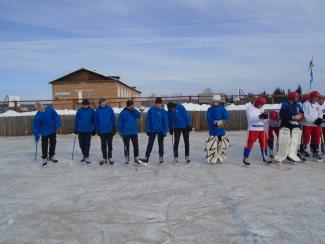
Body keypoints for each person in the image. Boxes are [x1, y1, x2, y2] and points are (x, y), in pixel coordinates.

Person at [275, 91, 304, 163]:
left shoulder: (298, 105)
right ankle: (282, 153)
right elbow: (283, 115)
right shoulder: (285, 104)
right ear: (292, 97)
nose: (297, 98)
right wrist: (292, 117)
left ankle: (293, 154)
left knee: (295, 140)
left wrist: (300, 116)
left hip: (296, 125)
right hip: (286, 124)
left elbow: (301, 113)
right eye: (296, 97)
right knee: (285, 140)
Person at [140, 97, 168, 165]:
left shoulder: (163, 111)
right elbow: (148, 120)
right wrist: (148, 129)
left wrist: (165, 131)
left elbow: (166, 122)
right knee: (150, 144)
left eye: (159, 104)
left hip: (160, 130)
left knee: (161, 145)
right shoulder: (151, 110)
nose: (158, 105)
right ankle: (146, 158)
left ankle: (161, 158)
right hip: (152, 130)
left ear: (161, 104)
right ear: (155, 103)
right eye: (157, 104)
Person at [243, 96, 270, 165]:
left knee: (264, 142)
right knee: (250, 143)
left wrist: (265, 118)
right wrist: (260, 116)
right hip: (253, 128)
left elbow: (264, 120)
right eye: (261, 104)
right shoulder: (250, 108)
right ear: (258, 103)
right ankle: (246, 157)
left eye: (262, 105)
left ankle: (265, 156)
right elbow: (251, 119)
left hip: (261, 128)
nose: (262, 106)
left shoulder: (261, 108)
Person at [33, 103, 61, 167]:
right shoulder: (37, 116)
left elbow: (56, 116)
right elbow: (36, 127)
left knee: (53, 142)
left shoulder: (50, 110)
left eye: (41, 107)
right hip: (44, 131)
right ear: (37, 109)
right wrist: (36, 136)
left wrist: (58, 123)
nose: (41, 109)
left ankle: (51, 156)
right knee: (44, 144)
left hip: (52, 130)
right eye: (39, 108)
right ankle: (45, 158)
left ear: (43, 106)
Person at [205, 95, 229, 164]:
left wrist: (220, 122)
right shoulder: (210, 109)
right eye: (213, 102)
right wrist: (213, 121)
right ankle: (212, 157)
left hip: (221, 130)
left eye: (216, 102)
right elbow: (208, 118)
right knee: (212, 144)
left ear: (218, 102)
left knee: (221, 144)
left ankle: (220, 156)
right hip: (213, 130)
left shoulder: (222, 109)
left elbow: (226, 117)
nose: (214, 103)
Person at [117, 99, 142, 164]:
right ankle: (127, 158)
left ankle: (136, 158)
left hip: (134, 132)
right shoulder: (123, 112)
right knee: (126, 146)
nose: (132, 106)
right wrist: (120, 130)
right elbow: (120, 122)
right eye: (131, 105)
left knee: (136, 146)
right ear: (128, 105)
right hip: (126, 133)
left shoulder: (134, 111)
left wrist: (133, 110)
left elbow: (139, 115)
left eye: (132, 105)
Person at [301, 91, 323, 162]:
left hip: (316, 125)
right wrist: (312, 121)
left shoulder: (317, 105)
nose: (316, 99)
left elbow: (320, 112)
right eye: (315, 97)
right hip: (307, 124)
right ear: (311, 97)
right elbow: (304, 114)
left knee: (317, 136)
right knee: (306, 137)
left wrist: (320, 118)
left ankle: (315, 150)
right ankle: (303, 150)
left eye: (317, 97)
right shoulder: (305, 104)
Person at [74, 99, 96, 165]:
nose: (85, 106)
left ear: (88, 104)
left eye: (86, 104)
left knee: (87, 144)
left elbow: (94, 121)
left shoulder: (92, 111)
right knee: (81, 144)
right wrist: (75, 129)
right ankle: (84, 155)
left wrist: (94, 129)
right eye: (84, 104)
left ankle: (86, 157)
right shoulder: (79, 110)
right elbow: (76, 120)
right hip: (80, 130)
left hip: (88, 130)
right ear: (82, 104)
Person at [95, 98, 116, 165]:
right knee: (103, 145)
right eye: (102, 104)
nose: (103, 105)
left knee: (110, 145)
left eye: (104, 103)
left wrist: (114, 128)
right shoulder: (97, 111)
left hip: (109, 130)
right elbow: (96, 121)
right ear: (99, 104)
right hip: (102, 131)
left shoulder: (110, 109)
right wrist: (97, 129)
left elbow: (113, 119)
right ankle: (104, 158)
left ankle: (109, 158)